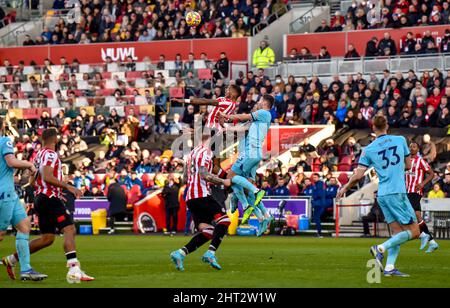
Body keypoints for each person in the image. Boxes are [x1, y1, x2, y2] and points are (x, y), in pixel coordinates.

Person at [2, 128, 94, 283]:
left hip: (41, 198)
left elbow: (33, 180)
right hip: (49, 197)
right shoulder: (51, 154)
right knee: (69, 229)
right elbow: (47, 176)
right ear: (56, 140)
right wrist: (68, 186)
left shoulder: (38, 155)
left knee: (47, 238)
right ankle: (74, 270)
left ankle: (12, 259)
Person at [337, 115, 420, 277]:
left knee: (397, 233)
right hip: (397, 192)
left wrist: (346, 186)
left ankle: (389, 267)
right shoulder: (400, 140)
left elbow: (359, 175)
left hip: (382, 194)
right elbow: (409, 166)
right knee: (415, 231)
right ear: (387, 125)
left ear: (373, 127)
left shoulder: (368, 150)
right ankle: (380, 248)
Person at [170, 134, 231, 271]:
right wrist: (223, 181)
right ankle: (211, 253)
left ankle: (180, 253)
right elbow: (204, 175)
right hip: (201, 195)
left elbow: (185, 178)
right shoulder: (206, 153)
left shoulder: (191, 154)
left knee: (208, 231)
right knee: (225, 220)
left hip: (190, 197)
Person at [0, 117, 47, 281]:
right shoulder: (4, 140)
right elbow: (10, 161)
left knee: (25, 226)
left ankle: (26, 269)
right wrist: (29, 164)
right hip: (3, 194)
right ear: (3, 126)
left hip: (10, 194)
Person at [221, 95, 275, 236]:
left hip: (249, 153)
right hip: (252, 154)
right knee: (244, 189)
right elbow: (235, 130)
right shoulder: (256, 122)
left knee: (230, 177)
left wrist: (226, 117)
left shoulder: (261, 115)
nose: (257, 104)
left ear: (264, 103)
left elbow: (240, 124)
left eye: (259, 102)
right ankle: (263, 215)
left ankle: (245, 202)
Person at [406, 142, 438, 253]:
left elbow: (431, 173)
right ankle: (432, 241)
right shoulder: (406, 161)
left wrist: (422, 184)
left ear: (418, 149)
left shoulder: (420, 161)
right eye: (410, 146)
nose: (411, 148)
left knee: (408, 215)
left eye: (414, 146)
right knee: (417, 216)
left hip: (415, 191)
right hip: (407, 191)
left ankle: (422, 235)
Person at [172, 84, 241, 133]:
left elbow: (204, 101)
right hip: (211, 129)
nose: (226, 90)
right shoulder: (233, 105)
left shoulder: (226, 102)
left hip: (213, 130)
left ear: (233, 94)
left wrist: (184, 100)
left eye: (228, 89)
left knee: (206, 151)